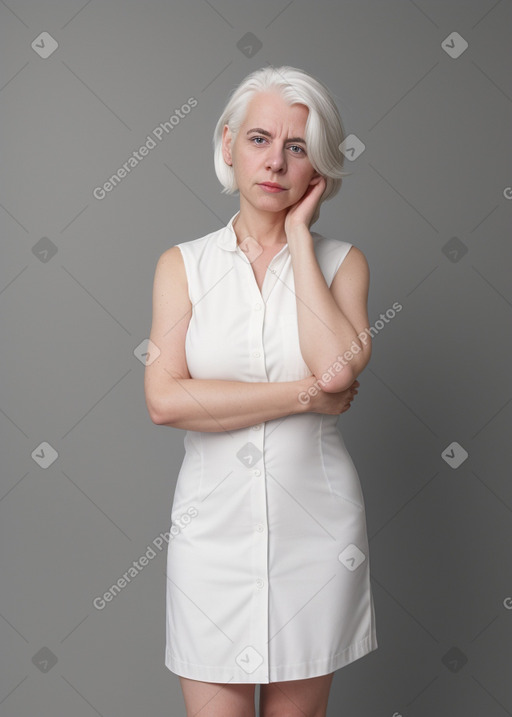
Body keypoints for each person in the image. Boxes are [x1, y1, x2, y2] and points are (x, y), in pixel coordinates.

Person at [144, 65, 378, 717]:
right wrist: (302, 396)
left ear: (318, 167)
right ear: (227, 145)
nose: (275, 160)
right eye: (259, 139)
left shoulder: (343, 262)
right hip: (210, 537)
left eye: (297, 146)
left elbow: (336, 371)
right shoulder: (181, 266)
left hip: (316, 533)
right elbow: (165, 399)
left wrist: (301, 238)